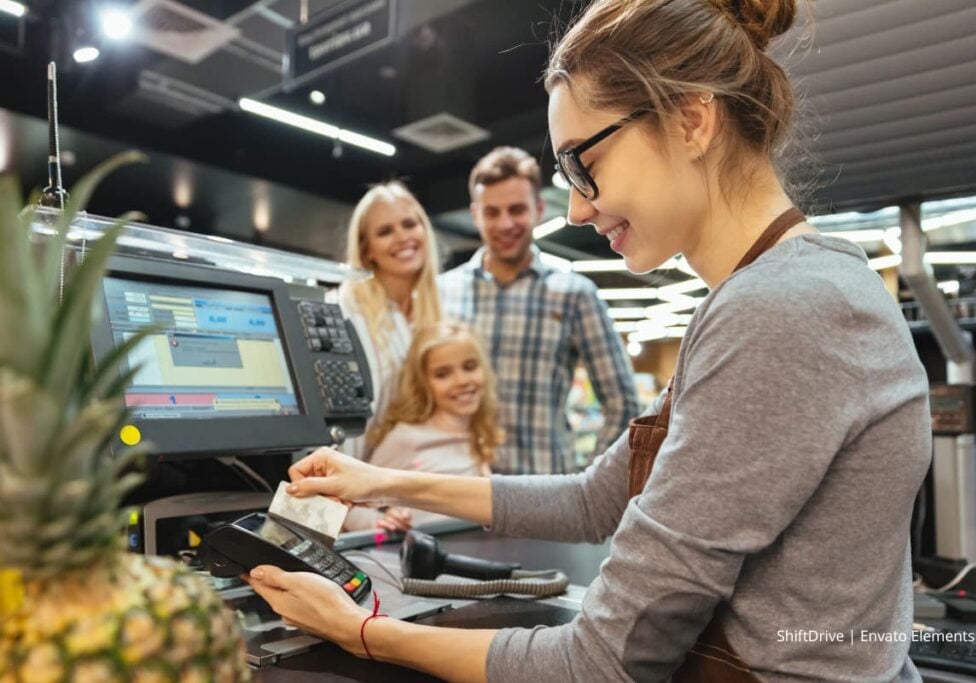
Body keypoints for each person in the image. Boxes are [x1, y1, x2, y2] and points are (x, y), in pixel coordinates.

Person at [246, 0, 931, 680]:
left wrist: (361, 630)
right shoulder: (776, 292)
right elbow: (592, 499)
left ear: (691, 119)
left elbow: (600, 662)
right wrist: (380, 477)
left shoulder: (779, 312)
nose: (575, 205)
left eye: (583, 161)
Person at [437, 145, 640, 475]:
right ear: (475, 215)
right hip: (457, 493)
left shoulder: (575, 294)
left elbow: (623, 404)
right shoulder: (441, 293)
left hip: (544, 500)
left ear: (539, 209)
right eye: (492, 212)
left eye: (517, 209)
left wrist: (592, 486)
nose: (505, 223)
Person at [342, 321, 503, 532]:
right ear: (423, 383)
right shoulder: (407, 439)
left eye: (469, 367)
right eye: (442, 374)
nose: (462, 380)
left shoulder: (478, 432)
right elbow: (350, 505)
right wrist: (381, 523)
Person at [329, 181, 443, 461]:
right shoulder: (342, 310)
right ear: (367, 249)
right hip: (347, 483)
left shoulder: (436, 314)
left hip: (401, 483)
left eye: (409, 224)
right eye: (385, 231)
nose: (402, 237)